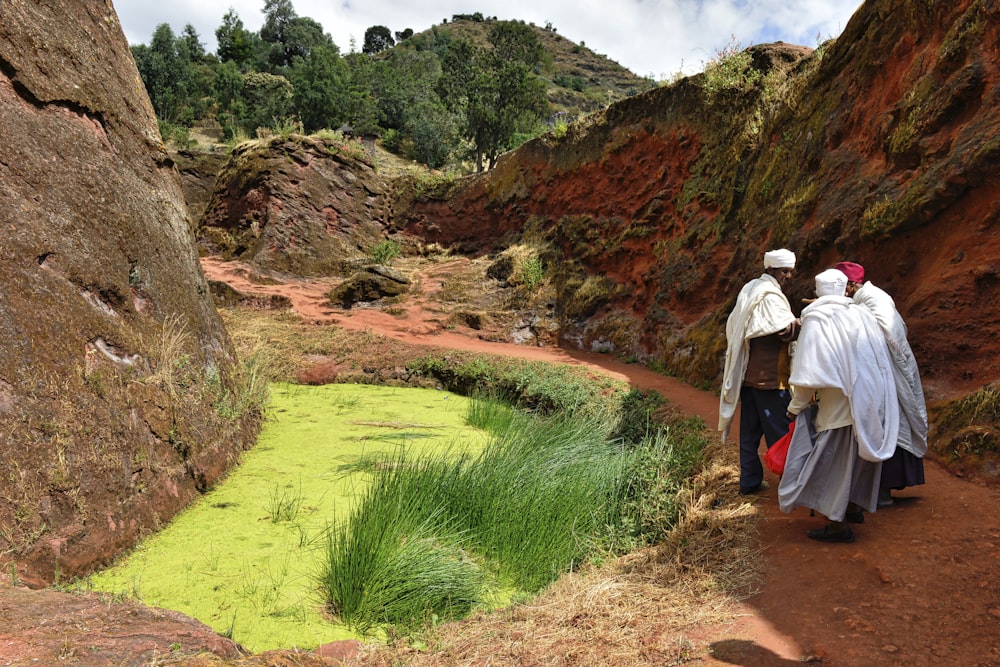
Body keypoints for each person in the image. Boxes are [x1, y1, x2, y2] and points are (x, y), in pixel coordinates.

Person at [778, 268, 900, 542]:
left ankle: (837, 524)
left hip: (837, 409)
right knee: (857, 462)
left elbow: (807, 373)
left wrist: (795, 406)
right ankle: (854, 507)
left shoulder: (817, 320)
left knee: (832, 467)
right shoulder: (860, 314)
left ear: (818, 291)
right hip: (868, 403)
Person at [835, 261, 927, 507]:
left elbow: (891, 334)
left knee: (888, 425)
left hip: (889, 371)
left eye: (843, 287)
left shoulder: (873, 299)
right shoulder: (866, 299)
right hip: (881, 370)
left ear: (853, 285)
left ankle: (883, 489)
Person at [720, 248, 800, 495]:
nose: (788, 276)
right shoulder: (770, 297)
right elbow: (785, 330)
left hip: (748, 378)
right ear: (771, 270)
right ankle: (790, 485)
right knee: (779, 434)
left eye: (790, 271)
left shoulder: (751, 289)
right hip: (770, 381)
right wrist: (807, 321)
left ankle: (750, 482)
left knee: (749, 434)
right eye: (784, 271)